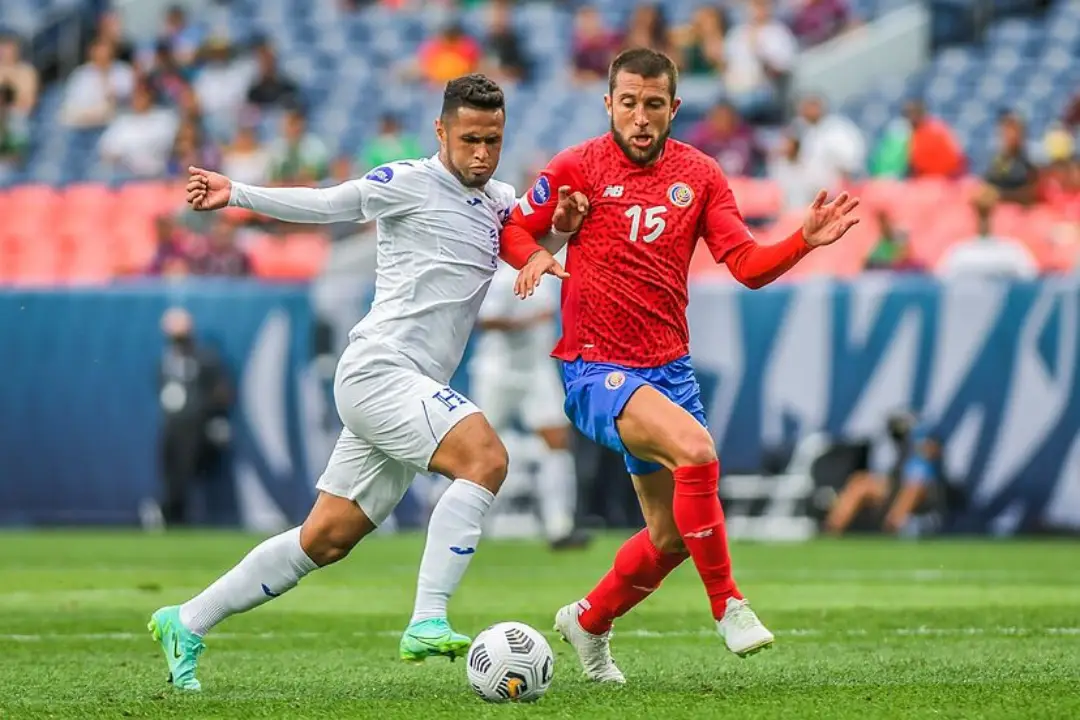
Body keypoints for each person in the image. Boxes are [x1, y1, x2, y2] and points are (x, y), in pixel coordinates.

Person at [147, 74, 585, 691]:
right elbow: (329, 204)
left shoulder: (500, 200)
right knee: (485, 458)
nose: (482, 153)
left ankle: (186, 620)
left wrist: (561, 228)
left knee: (325, 539)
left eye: (493, 140)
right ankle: (428, 618)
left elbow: (531, 244)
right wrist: (236, 192)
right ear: (441, 132)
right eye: (469, 140)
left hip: (413, 386)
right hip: (380, 370)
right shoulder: (408, 181)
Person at [499, 48, 860, 683]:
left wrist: (802, 240)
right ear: (608, 103)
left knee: (669, 539)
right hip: (594, 368)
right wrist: (534, 254)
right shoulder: (576, 166)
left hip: (668, 371)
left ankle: (588, 621)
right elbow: (514, 229)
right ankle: (729, 604)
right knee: (697, 452)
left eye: (653, 104)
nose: (640, 117)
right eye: (628, 103)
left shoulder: (701, 174)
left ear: (674, 107)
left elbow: (746, 267)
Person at [469, 258, 590, 550]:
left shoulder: (548, 274)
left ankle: (560, 526)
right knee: (476, 446)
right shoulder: (502, 277)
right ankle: (469, 523)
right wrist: (528, 321)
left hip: (537, 370)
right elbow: (485, 320)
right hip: (498, 371)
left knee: (557, 442)